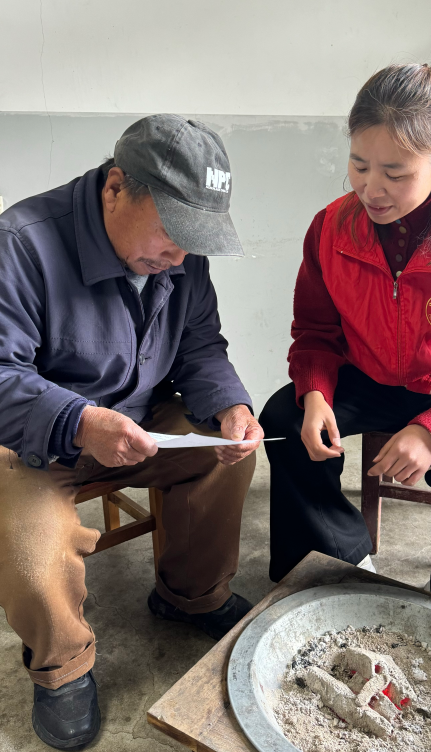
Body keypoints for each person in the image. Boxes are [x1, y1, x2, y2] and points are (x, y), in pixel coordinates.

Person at [0, 114, 264, 750]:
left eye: (192, 244)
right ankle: (62, 667)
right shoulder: (21, 244)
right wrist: (78, 422)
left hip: (142, 417)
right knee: (30, 541)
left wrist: (231, 405)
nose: (179, 258)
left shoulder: (180, 255)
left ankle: (190, 596)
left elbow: (199, 345)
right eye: (171, 236)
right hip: (38, 435)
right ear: (115, 187)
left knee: (226, 454)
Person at [260, 64, 431, 618]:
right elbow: (314, 332)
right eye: (359, 165)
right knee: (285, 421)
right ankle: (334, 564)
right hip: (368, 375)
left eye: (395, 173)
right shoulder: (331, 228)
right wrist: (315, 392)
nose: (371, 188)